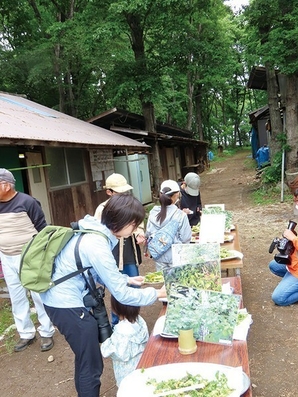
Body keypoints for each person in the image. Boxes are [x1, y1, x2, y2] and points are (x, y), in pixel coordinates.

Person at [40, 194, 166, 397]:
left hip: (61, 299)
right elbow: (123, 296)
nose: (134, 231)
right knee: (90, 364)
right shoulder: (97, 243)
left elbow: (94, 271)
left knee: (86, 359)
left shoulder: (94, 231)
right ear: (125, 222)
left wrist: (126, 279)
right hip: (65, 304)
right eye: (134, 225)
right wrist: (157, 293)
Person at [0, 168, 55, 352]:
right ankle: (26, 333)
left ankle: (46, 331)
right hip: (6, 256)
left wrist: (44, 254)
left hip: (30, 256)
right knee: (17, 296)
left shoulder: (27, 202)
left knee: (38, 294)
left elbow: (42, 228)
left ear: (6, 185)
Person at [94, 173, 145, 327]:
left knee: (134, 285)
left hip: (130, 252)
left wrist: (140, 232)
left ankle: (133, 319)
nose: (123, 195)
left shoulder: (130, 204)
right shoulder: (102, 209)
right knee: (118, 288)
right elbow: (99, 234)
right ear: (109, 192)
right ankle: (117, 323)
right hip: (114, 255)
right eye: (118, 192)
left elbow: (137, 223)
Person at [101, 295, 148, 387]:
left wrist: (105, 344)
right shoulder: (140, 321)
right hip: (141, 368)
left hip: (125, 375)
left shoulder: (120, 330)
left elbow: (116, 353)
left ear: (115, 309)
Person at [146, 179, 192, 270]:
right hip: (176, 256)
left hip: (159, 255)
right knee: (177, 283)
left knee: (164, 282)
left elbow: (148, 233)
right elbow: (186, 238)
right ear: (177, 194)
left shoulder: (153, 213)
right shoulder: (180, 215)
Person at [269, 224, 298, 306]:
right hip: (294, 265)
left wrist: (293, 238)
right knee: (274, 265)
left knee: (278, 298)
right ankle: (291, 284)